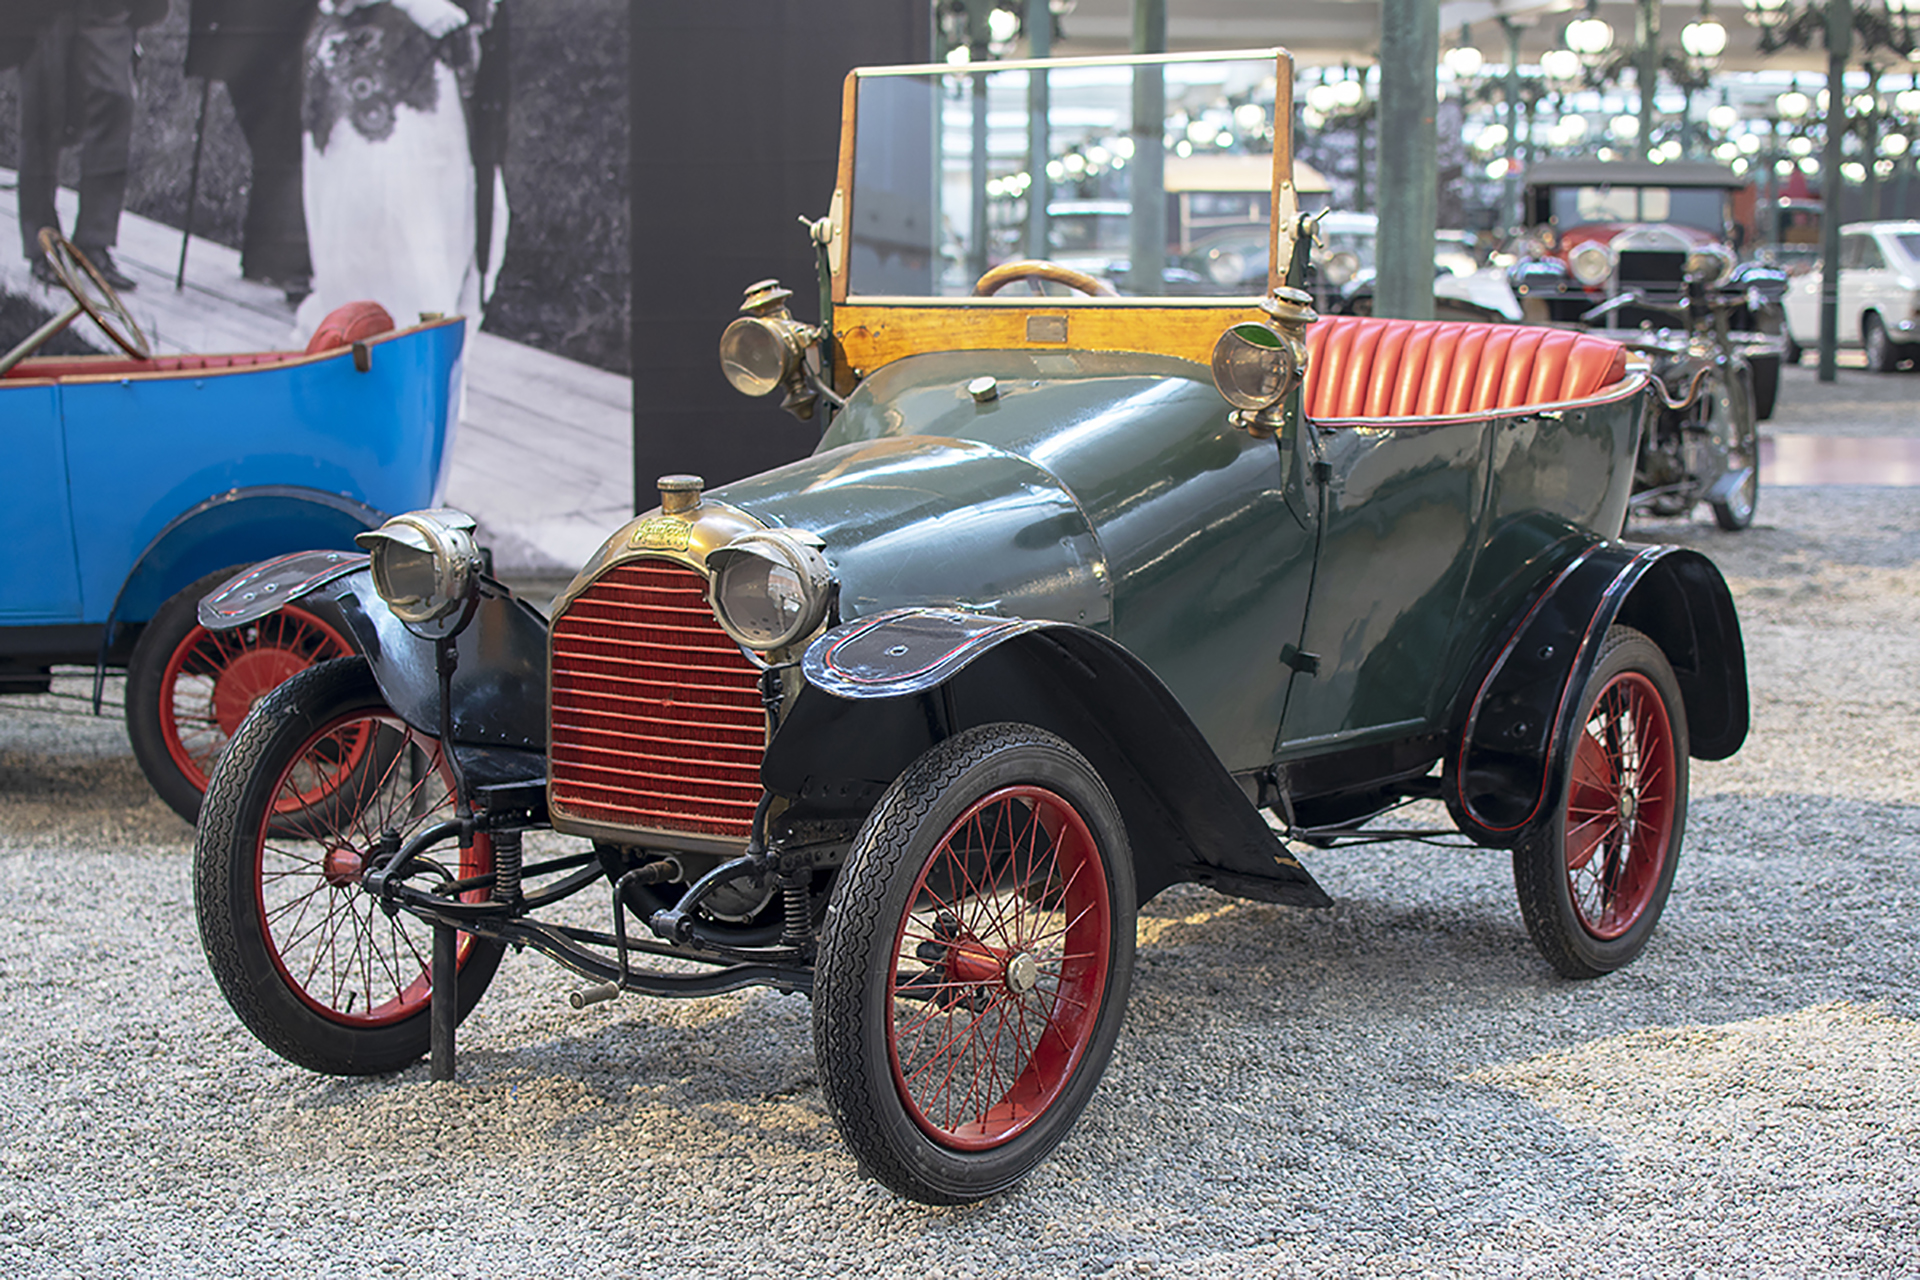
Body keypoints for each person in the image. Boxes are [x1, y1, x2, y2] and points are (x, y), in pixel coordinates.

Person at [295, 0, 508, 347]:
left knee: (455, 241)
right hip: (372, 77)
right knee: (386, 252)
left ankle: (428, 379)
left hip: (447, 70)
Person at [11, 0, 171, 291]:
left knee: (115, 105)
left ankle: (95, 243)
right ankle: (44, 246)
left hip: (107, 10)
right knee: (43, 116)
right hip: (41, 13)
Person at [186, 0, 319, 294]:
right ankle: (284, 264)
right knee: (283, 147)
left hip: (268, 38)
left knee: (280, 148)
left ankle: (268, 260)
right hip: (260, 40)